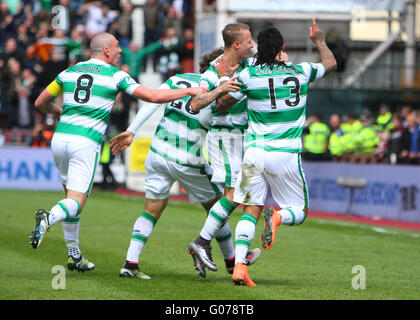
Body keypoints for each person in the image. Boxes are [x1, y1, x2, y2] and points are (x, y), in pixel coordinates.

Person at [28, 32, 208, 273]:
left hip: (60, 138)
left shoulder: (69, 71)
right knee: (75, 201)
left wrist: (61, 113)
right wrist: (189, 91)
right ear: (106, 51)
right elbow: (153, 96)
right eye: (116, 47)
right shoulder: (116, 75)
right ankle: (48, 218)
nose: (121, 51)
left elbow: (40, 102)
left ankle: (74, 255)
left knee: (70, 199)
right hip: (85, 142)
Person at [109, 48, 259, 279]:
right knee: (219, 207)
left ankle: (130, 263)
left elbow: (151, 101)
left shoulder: (178, 80)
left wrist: (132, 131)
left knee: (152, 210)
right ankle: (230, 260)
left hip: (157, 153)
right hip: (189, 159)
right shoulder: (216, 92)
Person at [213, 19, 337, 286]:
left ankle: (239, 268)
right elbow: (331, 64)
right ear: (282, 47)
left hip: (255, 152)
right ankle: (278, 216)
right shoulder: (302, 71)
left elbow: (221, 105)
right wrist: (319, 41)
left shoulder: (248, 76)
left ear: (258, 49)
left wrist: (224, 77)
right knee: (300, 210)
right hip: (286, 153)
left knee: (249, 209)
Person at [186, 23, 255, 273]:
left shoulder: (251, 65)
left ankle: (235, 257)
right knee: (233, 194)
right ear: (236, 44)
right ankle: (203, 242)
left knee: (245, 194)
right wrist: (220, 88)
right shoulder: (213, 70)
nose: (252, 45)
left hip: (245, 137)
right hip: (225, 138)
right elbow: (195, 104)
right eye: (249, 41)